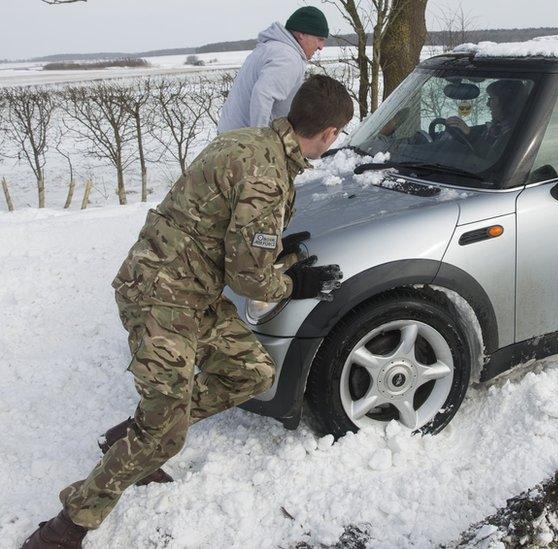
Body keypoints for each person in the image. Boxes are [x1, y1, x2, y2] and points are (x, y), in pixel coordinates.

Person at [20, 74, 354, 549]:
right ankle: (66, 526)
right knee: (165, 435)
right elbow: (249, 280)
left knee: (251, 371)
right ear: (328, 134)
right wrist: (293, 279)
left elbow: (227, 233)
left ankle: (134, 434)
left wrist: (281, 250)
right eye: (337, 134)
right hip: (159, 297)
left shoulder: (250, 141)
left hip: (189, 292)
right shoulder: (268, 175)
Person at [217, 6, 330, 133]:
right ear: (301, 34)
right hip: (243, 144)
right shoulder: (287, 57)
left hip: (231, 138)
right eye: (319, 39)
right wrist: (260, 140)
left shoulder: (272, 48)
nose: (321, 47)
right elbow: (263, 95)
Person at [444, 79, 526, 154]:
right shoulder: (495, 128)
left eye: (492, 99)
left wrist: (470, 134)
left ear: (506, 103)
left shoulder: (518, 135)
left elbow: (493, 159)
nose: (488, 104)